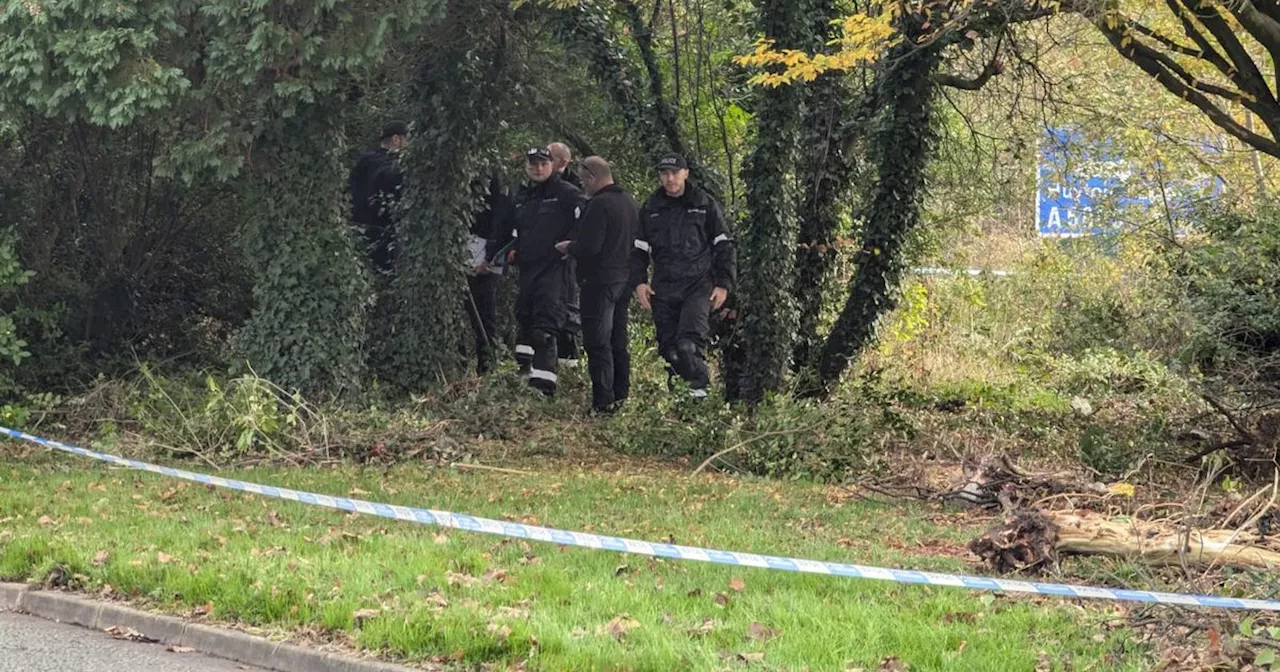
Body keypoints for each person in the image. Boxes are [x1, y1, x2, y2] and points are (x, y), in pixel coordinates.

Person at [630, 154, 736, 398]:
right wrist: (639, 283)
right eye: (665, 173)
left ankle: (700, 403)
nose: (670, 178)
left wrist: (724, 284)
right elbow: (638, 250)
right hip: (663, 288)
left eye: (674, 173)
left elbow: (724, 245)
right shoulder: (651, 207)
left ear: (685, 173)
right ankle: (681, 403)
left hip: (698, 286)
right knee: (670, 351)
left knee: (688, 346)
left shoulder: (704, 203)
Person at [490, 147, 586, 395]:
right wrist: (499, 254)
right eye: (533, 164)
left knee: (546, 328)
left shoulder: (565, 193)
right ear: (526, 166)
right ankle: (527, 378)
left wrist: (571, 246)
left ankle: (544, 388)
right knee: (525, 321)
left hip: (555, 269)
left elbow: (587, 219)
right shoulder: (523, 197)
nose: (538, 168)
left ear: (552, 165)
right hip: (528, 269)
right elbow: (507, 230)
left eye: (543, 163)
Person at [554, 156, 638, 414]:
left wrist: (570, 247)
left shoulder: (599, 205)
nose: (582, 186)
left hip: (599, 282)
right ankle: (620, 397)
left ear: (592, 177)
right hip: (623, 280)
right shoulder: (629, 203)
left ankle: (603, 402)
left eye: (582, 180)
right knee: (617, 341)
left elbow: (590, 246)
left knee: (598, 342)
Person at [348, 122, 408, 275]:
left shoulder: (365, 160)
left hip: (357, 228)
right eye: (406, 139)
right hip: (383, 235)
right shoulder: (395, 166)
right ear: (396, 139)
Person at [465, 174, 510, 375]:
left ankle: (487, 363)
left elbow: (500, 221)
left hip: (483, 251)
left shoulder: (493, 178)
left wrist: (490, 256)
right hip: (467, 246)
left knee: (484, 310)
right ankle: (464, 362)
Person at [548, 141, 583, 368]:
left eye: (550, 157)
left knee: (569, 300)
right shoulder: (542, 184)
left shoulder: (575, 187)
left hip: (568, 254)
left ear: (563, 162)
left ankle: (570, 355)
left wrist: (570, 244)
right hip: (546, 254)